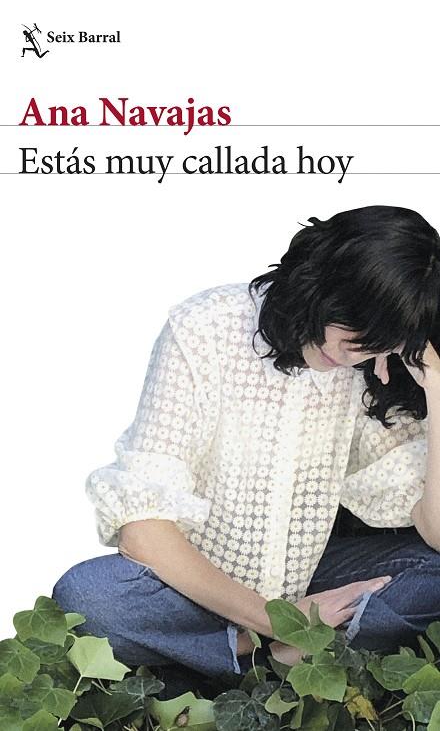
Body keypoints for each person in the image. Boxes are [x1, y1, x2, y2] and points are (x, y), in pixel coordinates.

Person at [52, 205, 440, 686]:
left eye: (375, 341)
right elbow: (142, 532)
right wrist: (282, 621)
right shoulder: (204, 328)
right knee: (88, 596)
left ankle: (230, 657)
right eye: (350, 324)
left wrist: (435, 384)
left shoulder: (367, 369)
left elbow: (435, 530)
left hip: (313, 582)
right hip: (192, 588)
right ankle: (252, 648)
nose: (350, 350)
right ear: (318, 280)